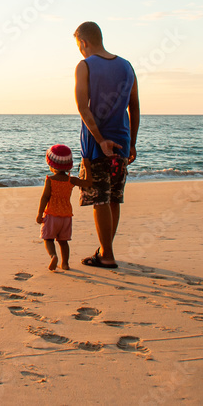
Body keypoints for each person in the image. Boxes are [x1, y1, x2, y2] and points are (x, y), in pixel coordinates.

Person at [73, 21, 139, 269]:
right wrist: (132, 142)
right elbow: (134, 106)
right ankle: (104, 250)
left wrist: (100, 140)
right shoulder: (127, 66)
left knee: (100, 199)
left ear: (83, 43)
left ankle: (107, 256)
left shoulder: (85, 65)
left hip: (97, 145)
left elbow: (82, 107)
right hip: (121, 141)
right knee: (113, 198)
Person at [35, 144, 92, 272]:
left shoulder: (50, 180)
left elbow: (45, 197)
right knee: (63, 241)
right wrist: (87, 166)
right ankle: (65, 264)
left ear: (51, 164)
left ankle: (53, 256)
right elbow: (88, 183)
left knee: (48, 239)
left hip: (51, 215)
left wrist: (39, 213)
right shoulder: (71, 180)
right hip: (66, 216)